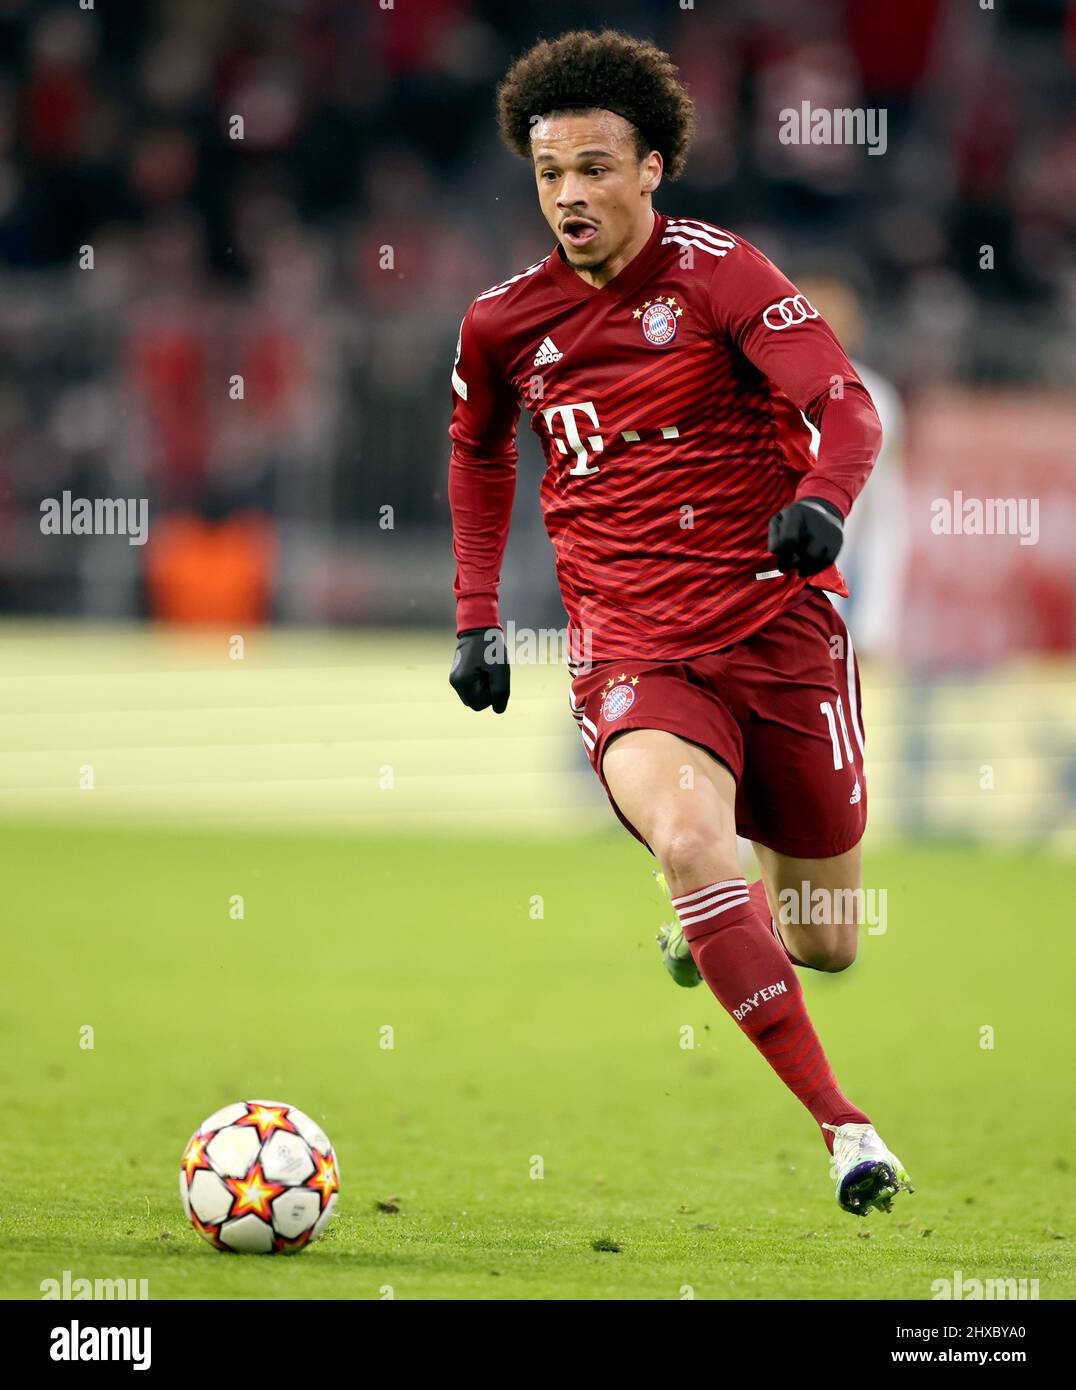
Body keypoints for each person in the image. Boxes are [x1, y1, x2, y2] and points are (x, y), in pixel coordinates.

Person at [447, 29, 912, 1217]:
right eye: (549, 174)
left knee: (826, 939)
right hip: (632, 647)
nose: (569, 196)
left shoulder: (723, 277)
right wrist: (474, 616)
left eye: (594, 169)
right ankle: (842, 1126)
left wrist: (820, 502)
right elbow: (475, 451)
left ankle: (713, 929)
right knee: (693, 843)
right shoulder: (505, 324)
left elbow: (844, 402)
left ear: (651, 168)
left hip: (778, 630)